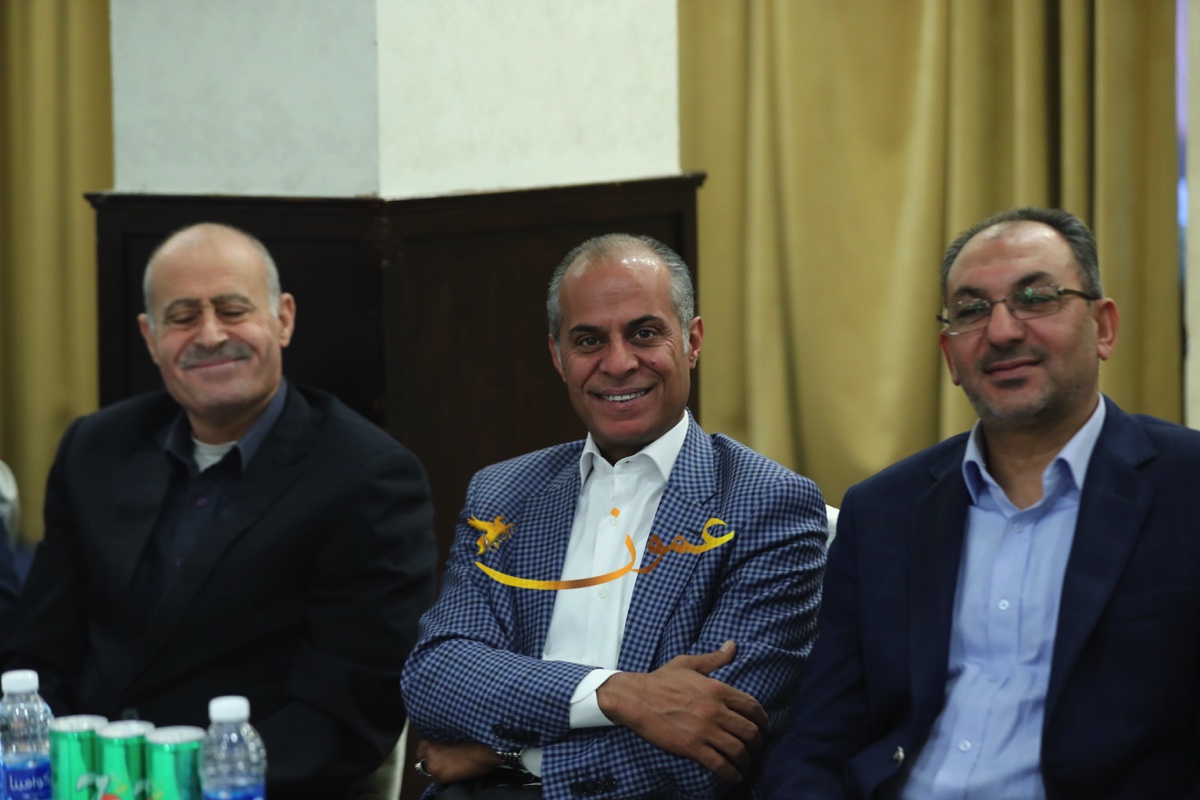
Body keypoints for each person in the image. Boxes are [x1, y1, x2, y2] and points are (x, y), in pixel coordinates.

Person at [763, 207, 1200, 799]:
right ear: (949, 355)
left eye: (1036, 298)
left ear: (1103, 327)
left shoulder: (1185, 486)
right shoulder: (882, 512)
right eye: (971, 310)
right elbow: (819, 738)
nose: (1002, 332)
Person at [3, 223, 436, 798]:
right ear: (150, 336)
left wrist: (177, 784)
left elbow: (347, 716)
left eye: (233, 311)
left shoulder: (367, 476)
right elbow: (40, 653)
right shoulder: (94, 448)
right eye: (182, 317)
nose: (209, 335)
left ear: (283, 319)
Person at [401, 233, 828, 799]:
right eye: (589, 341)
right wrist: (617, 694)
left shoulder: (765, 503)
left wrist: (501, 755)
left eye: (645, 333)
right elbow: (434, 680)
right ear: (558, 357)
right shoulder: (503, 493)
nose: (619, 363)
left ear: (693, 341)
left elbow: (714, 749)